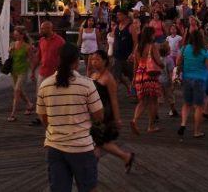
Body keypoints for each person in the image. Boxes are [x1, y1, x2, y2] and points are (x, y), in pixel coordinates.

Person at [36, 43, 104, 192]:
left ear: (58, 60)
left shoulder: (45, 85)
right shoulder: (87, 84)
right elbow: (99, 116)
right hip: (82, 146)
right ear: (76, 61)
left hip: (54, 146)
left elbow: (43, 118)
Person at [86, 51, 135, 173]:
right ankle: (126, 157)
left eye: (97, 60)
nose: (94, 62)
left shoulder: (109, 78)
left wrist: (117, 119)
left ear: (104, 61)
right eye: (92, 60)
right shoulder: (92, 75)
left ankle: (126, 157)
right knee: (98, 142)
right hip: (94, 112)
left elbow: (114, 100)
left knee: (100, 141)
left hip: (105, 114)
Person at [176, 29, 208, 139]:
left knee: (187, 104)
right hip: (200, 80)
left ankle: (183, 124)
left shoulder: (185, 49)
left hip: (187, 79)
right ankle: (197, 131)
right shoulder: (203, 51)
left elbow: (178, 62)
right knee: (199, 106)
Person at [31, 21, 65, 126]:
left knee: (55, 95)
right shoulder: (41, 41)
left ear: (50, 28)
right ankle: (41, 117)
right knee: (40, 95)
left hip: (55, 73)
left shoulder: (60, 41)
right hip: (43, 72)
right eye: (41, 28)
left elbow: (64, 57)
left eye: (43, 29)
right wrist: (33, 71)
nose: (41, 31)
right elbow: (38, 56)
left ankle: (55, 116)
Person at [130, 26, 162, 135]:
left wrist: (134, 78)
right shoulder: (152, 46)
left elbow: (135, 63)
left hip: (140, 74)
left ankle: (134, 120)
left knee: (143, 101)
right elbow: (158, 61)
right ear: (151, 35)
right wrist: (163, 65)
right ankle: (151, 126)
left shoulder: (138, 46)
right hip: (150, 74)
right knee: (153, 101)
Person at [7, 27, 32, 122]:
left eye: (17, 34)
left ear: (22, 35)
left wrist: (31, 70)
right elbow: (10, 57)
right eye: (14, 34)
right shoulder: (12, 44)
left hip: (23, 71)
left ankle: (13, 114)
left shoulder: (27, 46)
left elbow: (30, 58)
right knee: (19, 91)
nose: (15, 36)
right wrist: (9, 51)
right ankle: (29, 104)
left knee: (17, 90)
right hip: (13, 70)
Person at [112, 11, 135, 96]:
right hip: (117, 56)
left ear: (125, 16)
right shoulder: (116, 27)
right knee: (116, 78)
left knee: (132, 76)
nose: (117, 16)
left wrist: (132, 54)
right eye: (117, 15)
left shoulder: (131, 27)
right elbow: (115, 41)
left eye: (119, 15)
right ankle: (113, 97)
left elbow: (135, 42)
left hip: (128, 57)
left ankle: (135, 94)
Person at [158, 42, 177, 117]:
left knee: (160, 98)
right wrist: (172, 83)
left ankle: (155, 112)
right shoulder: (170, 60)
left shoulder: (158, 59)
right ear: (168, 51)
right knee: (170, 96)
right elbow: (170, 73)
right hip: (167, 82)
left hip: (159, 80)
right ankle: (173, 110)